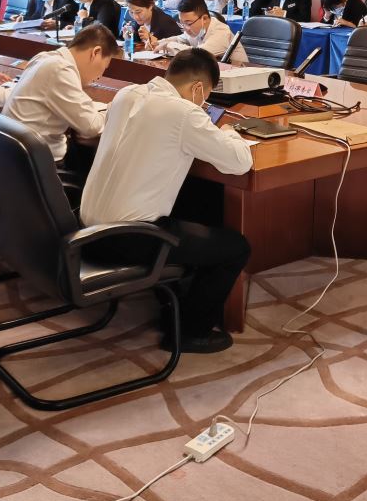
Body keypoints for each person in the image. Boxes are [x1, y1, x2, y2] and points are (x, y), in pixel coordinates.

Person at [80, 49, 252, 353]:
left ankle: (172, 300)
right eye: (205, 97)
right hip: (124, 237)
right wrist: (230, 133)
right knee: (235, 248)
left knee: (194, 204)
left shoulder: (127, 94)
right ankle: (189, 332)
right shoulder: (184, 113)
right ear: (197, 88)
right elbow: (239, 162)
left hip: (84, 227)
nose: (203, 104)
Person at [2, 24, 116, 168]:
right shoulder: (60, 69)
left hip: (15, 155)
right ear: (96, 52)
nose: (99, 76)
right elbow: (92, 126)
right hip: (36, 164)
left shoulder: (45, 57)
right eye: (104, 67)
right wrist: (113, 108)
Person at [162, 0, 246, 63]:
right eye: (182, 23)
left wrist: (169, 45)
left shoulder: (221, 31)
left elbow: (200, 54)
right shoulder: (195, 30)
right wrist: (161, 43)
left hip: (238, 73)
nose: (186, 28)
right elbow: (179, 39)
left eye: (188, 23)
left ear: (204, 18)